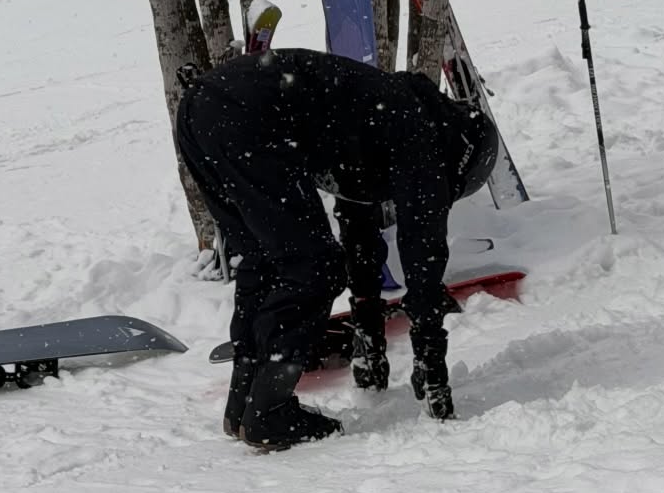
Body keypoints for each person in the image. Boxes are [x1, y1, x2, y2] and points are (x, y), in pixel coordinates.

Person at [177, 47, 501, 451]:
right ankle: (268, 413)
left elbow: (359, 231)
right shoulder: (425, 135)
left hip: (202, 109)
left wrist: (370, 334)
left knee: (264, 261)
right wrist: (431, 362)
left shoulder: (384, 114)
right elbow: (424, 253)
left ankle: (245, 403)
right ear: (463, 164)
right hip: (248, 116)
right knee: (312, 266)